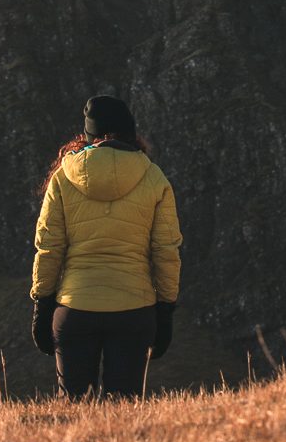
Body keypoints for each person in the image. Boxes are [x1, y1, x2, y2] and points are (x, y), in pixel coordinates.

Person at [29, 94, 182, 399]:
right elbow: (166, 251)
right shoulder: (154, 177)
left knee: (73, 413)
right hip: (134, 310)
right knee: (124, 412)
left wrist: (42, 307)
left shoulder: (63, 178)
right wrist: (165, 310)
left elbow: (48, 248)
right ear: (131, 132)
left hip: (75, 309)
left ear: (88, 135)